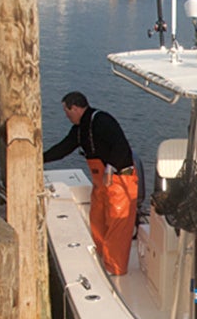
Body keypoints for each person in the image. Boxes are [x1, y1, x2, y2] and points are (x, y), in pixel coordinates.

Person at [43, 91, 137, 275]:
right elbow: (63, 148)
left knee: (118, 224)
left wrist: (110, 166)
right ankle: (103, 260)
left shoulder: (102, 120)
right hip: (101, 184)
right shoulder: (80, 130)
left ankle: (115, 269)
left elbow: (121, 144)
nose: (66, 116)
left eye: (66, 111)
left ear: (75, 108)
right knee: (97, 219)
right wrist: (40, 158)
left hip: (120, 180)